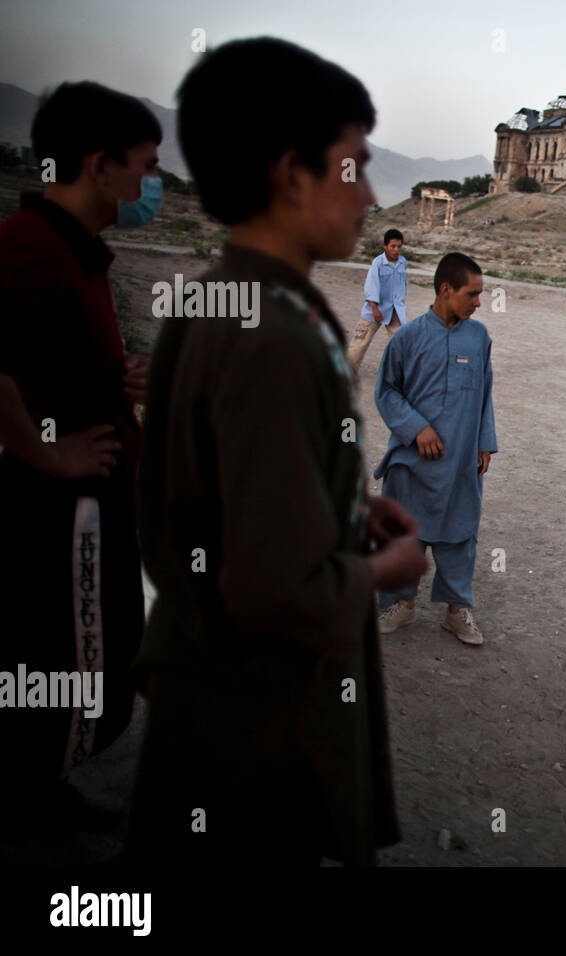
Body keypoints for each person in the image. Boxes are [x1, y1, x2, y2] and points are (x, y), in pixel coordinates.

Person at [128, 37, 427, 866]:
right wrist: (386, 569)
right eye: (352, 166)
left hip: (217, 702)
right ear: (292, 175)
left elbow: (232, 491)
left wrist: (338, 504)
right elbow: (271, 589)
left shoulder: (228, 300)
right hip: (252, 724)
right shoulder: (271, 334)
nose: (369, 194)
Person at [0, 81, 160, 842]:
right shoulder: (27, 249)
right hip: (64, 512)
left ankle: (43, 787)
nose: (149, 184)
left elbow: (42, 359)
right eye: (145, 166)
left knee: (86, 651)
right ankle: (29, 804)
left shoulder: (74, 253)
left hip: (94, 500)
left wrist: (120, 374)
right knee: (70, 659)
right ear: (101, 165)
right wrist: (42, 450)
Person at [374, 252, 497, 646]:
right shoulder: (408, 338)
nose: (479, 302)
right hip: (412, 463)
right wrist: (416, 428)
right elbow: (387, 391)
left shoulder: (479, 338)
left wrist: (484, 443)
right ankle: (400, 604)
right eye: (472, 294)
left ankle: (457, 611)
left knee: (459, 534)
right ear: (446, 290)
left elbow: (485, 394)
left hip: (461, 460)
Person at [347, 227, 406, 370]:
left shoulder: (402, 262)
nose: (396, 250)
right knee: (360, 342)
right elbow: (371, 286)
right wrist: (374, 308)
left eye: (399, 246)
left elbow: (401, 285)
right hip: (375, 308)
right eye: (393, 246)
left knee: (401, 342)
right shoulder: (378, 263)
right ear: (385, 246)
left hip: (394, 310)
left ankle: (399, 374)